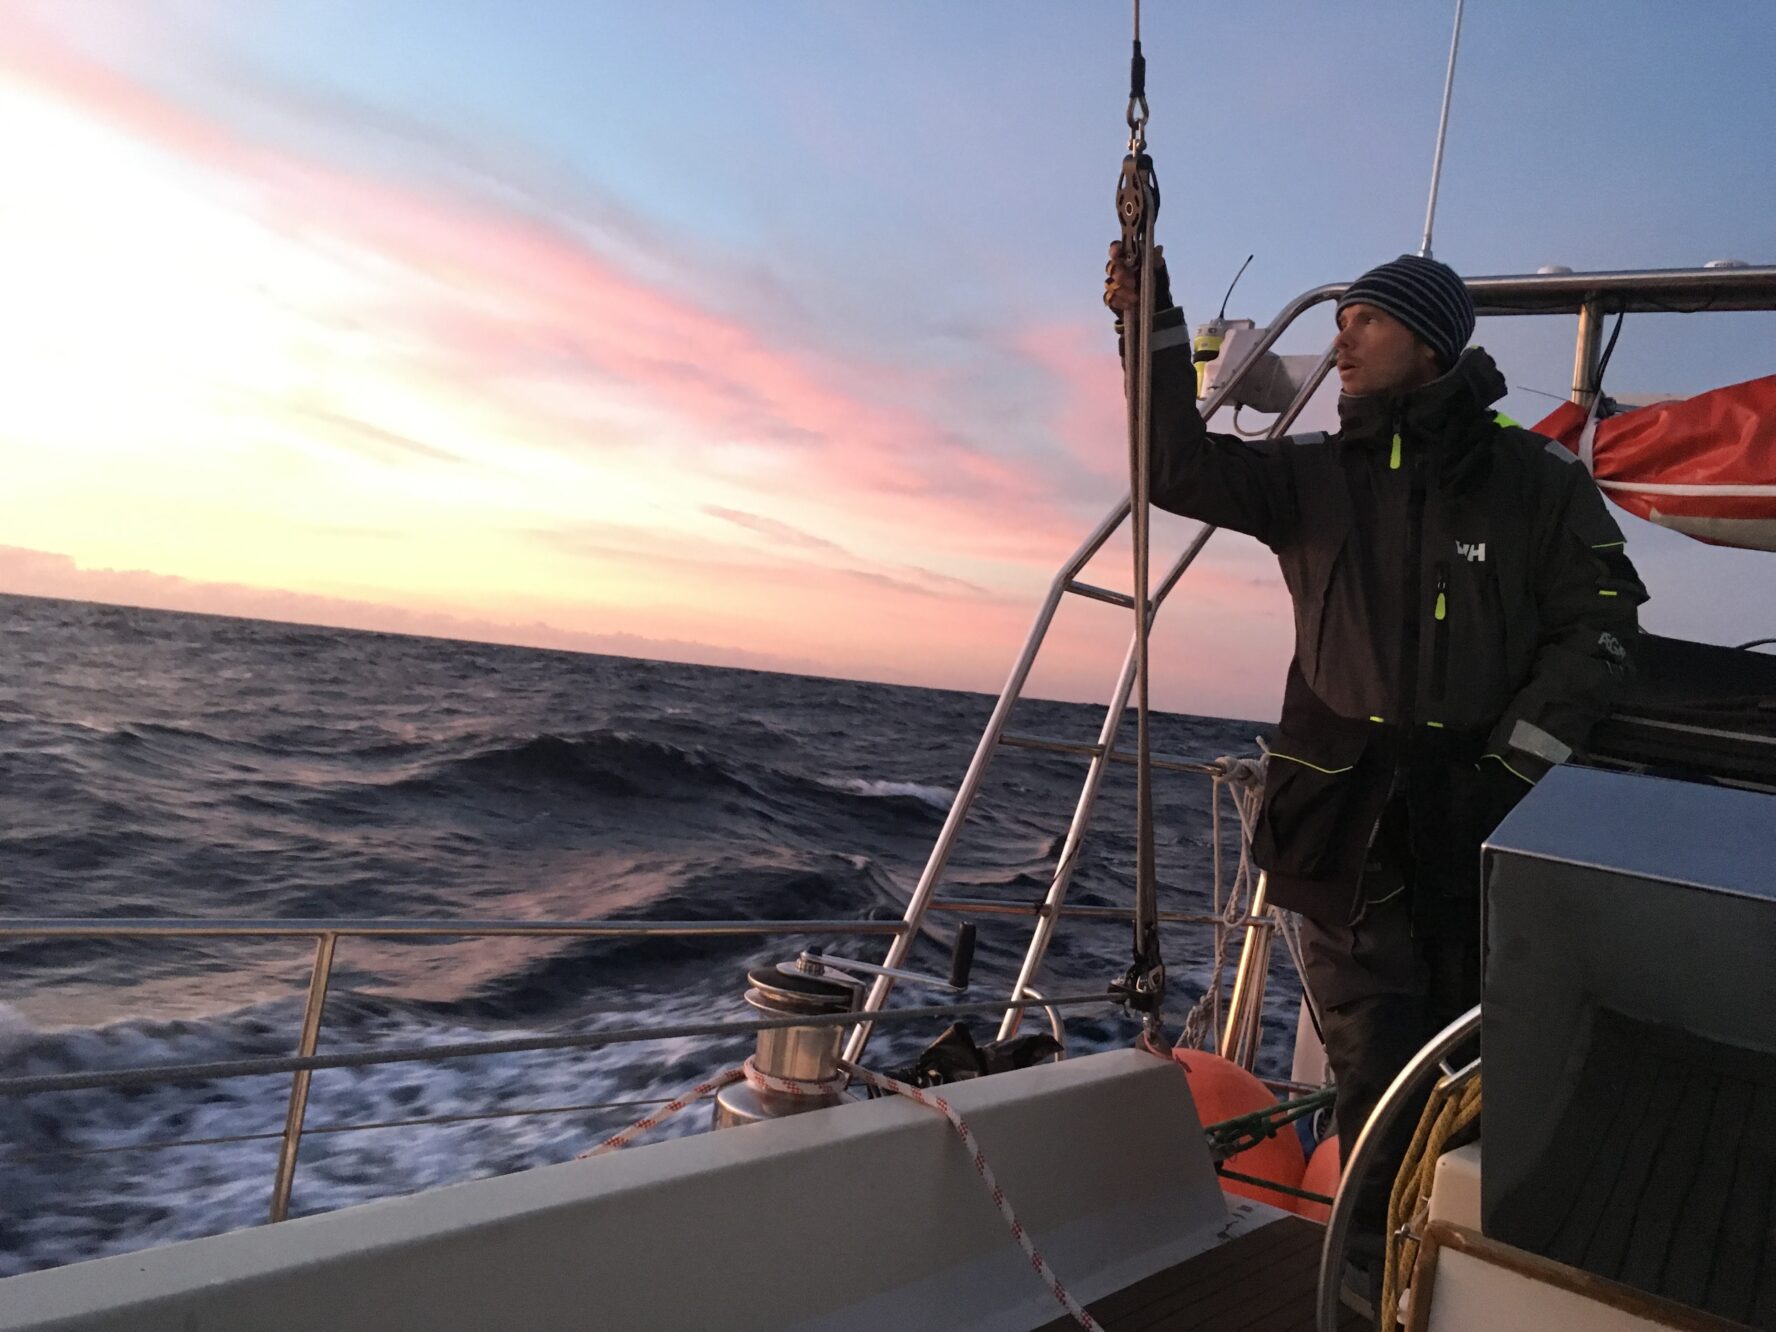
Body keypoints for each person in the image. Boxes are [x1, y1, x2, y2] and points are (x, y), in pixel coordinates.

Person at [1107, 249, 1648, 1258]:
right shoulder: (1313, 477)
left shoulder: (1535, 484)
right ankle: (1369, 1280)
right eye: (1343, 317)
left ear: (1430, 341)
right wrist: (1150, 322)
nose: (1341, 341)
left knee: (1474, 1075)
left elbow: (1604, 625)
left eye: (1367, 321)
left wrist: (1512, 769)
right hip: (1344, 840)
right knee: (1376, 1072)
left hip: (1482, 830)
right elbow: (1173, 466)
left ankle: (1441, 1269)